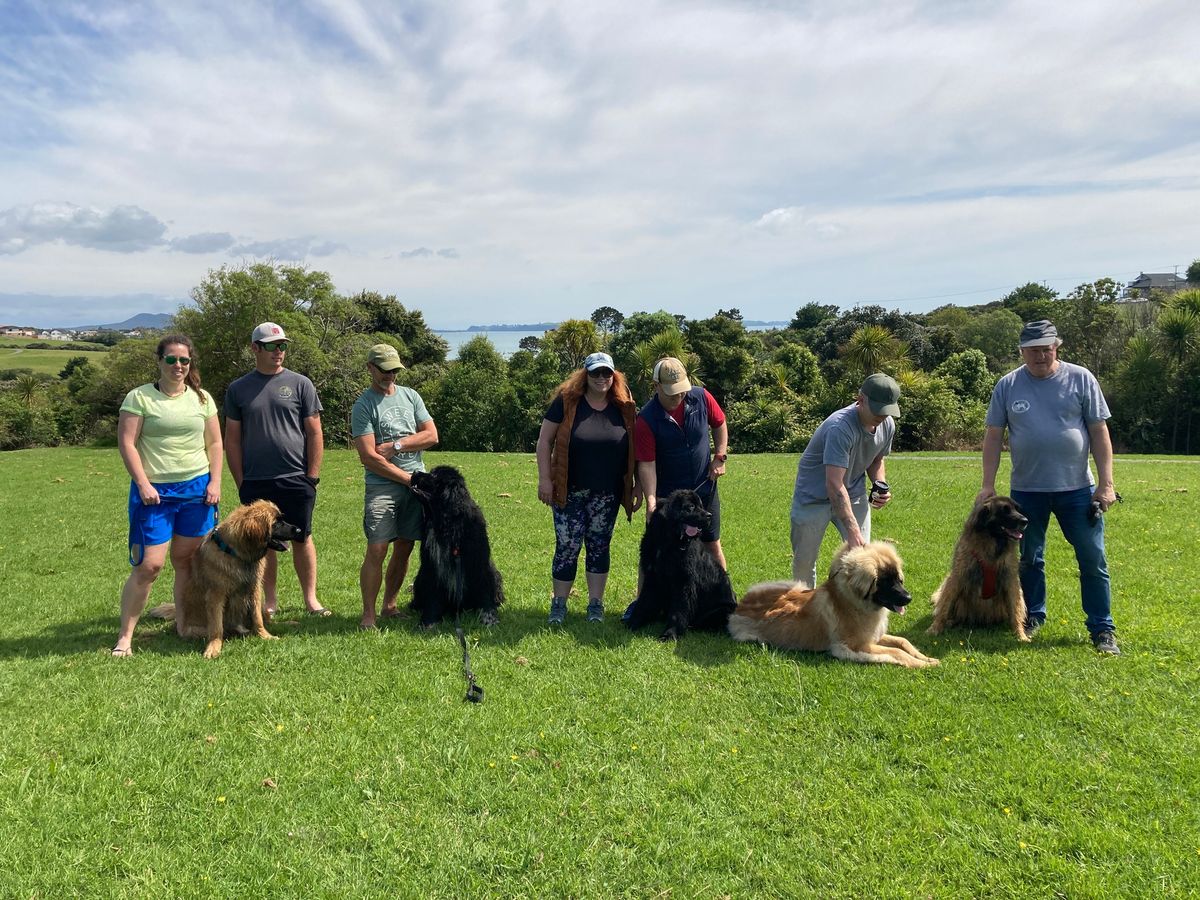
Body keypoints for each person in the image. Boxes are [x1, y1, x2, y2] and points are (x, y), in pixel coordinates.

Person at [978, 319, 1120, 655]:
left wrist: (1107, 485)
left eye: (1047, 348)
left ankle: (1102, 628)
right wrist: (987, 484)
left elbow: (1099, 432)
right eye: (1034, 350)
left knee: (1092, 558)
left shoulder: (1081, 378)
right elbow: (994, 436)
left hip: (1077, 490)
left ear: (1057, 346)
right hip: (1026, 493)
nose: (1041, 355)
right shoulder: (1008, 385)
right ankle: (1032, 616)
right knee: (1029, 558)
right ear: (1022, 352)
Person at [113, 334, 221, 656]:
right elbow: (127, 443)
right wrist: (143, 483)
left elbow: (215, 444)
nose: (178, 366)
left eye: (184, 360)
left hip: (196, 491)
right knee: (149, 566)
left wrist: (215, 482)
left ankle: (184, 625)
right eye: (171, 359)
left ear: (191, 364)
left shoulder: (202, 399)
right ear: (159, 361)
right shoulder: (139, 398)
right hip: (154, 493)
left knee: (186, 563)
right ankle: (125, 638)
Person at [224, 322, 329, 619]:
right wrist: (241, 481)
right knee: (264, 542)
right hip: (256, 480)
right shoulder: (238, 389)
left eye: (282, 346)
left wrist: (312, 477)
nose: (279, 352)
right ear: (255, 348)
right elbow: (231, 439)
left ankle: (311, 600)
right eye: (272, 346)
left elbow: (315, 433)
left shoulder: (301, 384)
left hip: (296, 478)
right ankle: (269, 601)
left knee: (302, 537)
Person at [535, 351, 642, 624]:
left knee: (599, 547)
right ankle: (559, 604)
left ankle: (596, 604)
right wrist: (545, 479)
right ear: (585, 375)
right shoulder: (567, 402)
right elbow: (544, 440)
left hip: (607, 493)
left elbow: (637, 451)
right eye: (595, 372)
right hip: (569, 490)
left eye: (606, 373)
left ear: (614, 376)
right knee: (567, 546)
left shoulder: (624, 406)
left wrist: (636, 486)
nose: (601, 378)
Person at [350, 343, 439, 630]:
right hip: (383, 487)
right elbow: (369, 458)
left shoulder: (411, 397)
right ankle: (368, 616)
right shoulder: (363, 406)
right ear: (370, 369)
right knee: (377, 548)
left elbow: (431, 435)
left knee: (405, 546)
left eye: (394, 370)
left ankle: (390, 605)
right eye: (385, 370)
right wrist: (406, 479)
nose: (390, 376)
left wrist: (397, 445)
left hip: (416, 484)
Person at [790, 373, 899, 587]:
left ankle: (850, 612)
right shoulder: (840, 427)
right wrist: (852, 530)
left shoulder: (887, 425)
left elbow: (876, 458)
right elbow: (834, 483)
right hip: (813, 498)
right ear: (861, 399)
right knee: (804, 563)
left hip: (853, 493)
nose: (883, 416)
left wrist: (880, 483)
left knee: (861, 560)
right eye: (878, 409)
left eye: (887, 410)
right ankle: (804, 614)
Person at [634, 357, 729, 569]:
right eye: (672, 391)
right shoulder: (646, 420)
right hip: (670, 498)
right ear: (656, 386)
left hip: (704, 488)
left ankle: (723, 600)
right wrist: (651, 501)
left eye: (682, 389)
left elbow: (720, 423)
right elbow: (647, 464)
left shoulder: (702, 397)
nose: (679, 395)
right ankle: (644, 601)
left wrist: (720, 457)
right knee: (656, 551)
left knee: (712, 545)